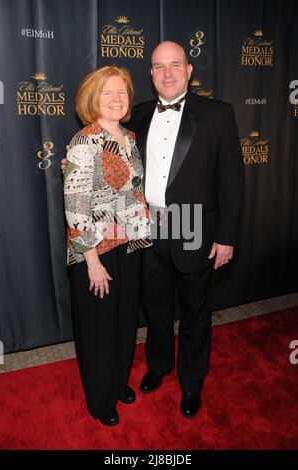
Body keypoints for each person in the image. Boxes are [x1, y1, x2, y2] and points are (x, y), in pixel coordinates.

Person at [129, 41, 244, 418]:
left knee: (195, 310)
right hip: (149, 224)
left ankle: (192, 383)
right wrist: (76, 160)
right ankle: (159, 366)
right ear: (150, 73)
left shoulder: (218, 115)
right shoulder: (139, 114)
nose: (166, 73)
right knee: (156, 306)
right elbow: (108, 151)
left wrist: (226, 236)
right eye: (158, 66)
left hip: (195, 222)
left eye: (174, 65)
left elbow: (233, 180)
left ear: (189, 71)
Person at [63, 65, 151, 426]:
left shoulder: (129, 137)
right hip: (95, 253)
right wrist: (92, 261)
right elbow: (75, 206)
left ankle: (117, 383)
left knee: (123, 322)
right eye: (107, 93)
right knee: (99, 329)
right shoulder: (85, 141)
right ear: (92, 99)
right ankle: (100, 400)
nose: (117, 99)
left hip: (130, 245)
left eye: (122, 92)